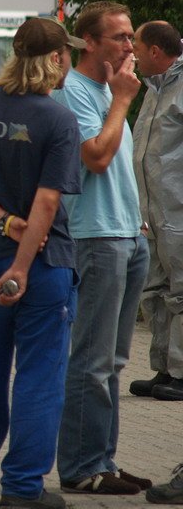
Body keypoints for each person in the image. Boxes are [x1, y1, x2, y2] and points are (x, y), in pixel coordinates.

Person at [0, 17, 84, 509]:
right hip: (42, 268)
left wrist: (4, 223)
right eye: (66, 53)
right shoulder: (58, 120)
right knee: (39, 378)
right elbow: (46, 204)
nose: (69, 61)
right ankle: (25, 488)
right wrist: (22, 267)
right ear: (54, 59)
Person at [52, 1, 151, 495]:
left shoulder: (106, 91)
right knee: (91, 360)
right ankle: (80, 467)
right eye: (119, 38)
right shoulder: (77, 93)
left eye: (131, 37)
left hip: (128, 236)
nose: (129, 47)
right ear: (88, 43)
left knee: (111, 362)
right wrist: (121, 103)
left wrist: (139, 227)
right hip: (96, 238)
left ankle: (103, 461)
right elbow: (94, 158)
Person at [131, 21, 183, 401]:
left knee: (181, 289)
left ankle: (181, 372)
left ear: (155, 51)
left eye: (136, 44)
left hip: (177, 208)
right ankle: (164, 367)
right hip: (152, 208)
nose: (131, 51)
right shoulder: (153, 88)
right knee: (155, 289)